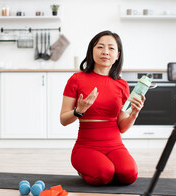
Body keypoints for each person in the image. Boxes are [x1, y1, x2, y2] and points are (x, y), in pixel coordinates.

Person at [60, 30, 145, 186]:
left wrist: (134, 114)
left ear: (118, 55)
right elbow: (63, 120)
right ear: (92, 50)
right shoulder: (76, 79)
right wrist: (79, 110)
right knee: (104, 174)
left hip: (114, 145)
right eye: (100, 47)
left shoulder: (122, 85)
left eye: (111, 48)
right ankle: (85, 168)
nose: (105, 52)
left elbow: (122, 127)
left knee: (129, 175)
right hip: (86, 146)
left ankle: (105, 167)